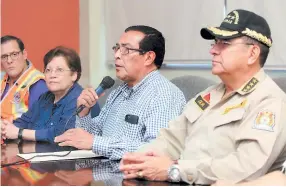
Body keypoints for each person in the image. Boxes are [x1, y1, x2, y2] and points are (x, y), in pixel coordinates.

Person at [119, 9, 286, 185]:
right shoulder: (208, 95)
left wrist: (175, 170)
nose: (213, 50)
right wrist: (139, 159)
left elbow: (246, 167)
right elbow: (171, 139)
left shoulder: (269, 102)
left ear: (252, 54)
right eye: (215, 43)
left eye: (225, 44)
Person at [54, 25, 186, 160]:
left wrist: (95, 142)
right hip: (106, 171)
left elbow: (155, 150)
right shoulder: (119, 91)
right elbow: (94, 135)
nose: (116, 55)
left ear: (148, 57)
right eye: (117, 48)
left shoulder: (165, 94)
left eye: (126, 50)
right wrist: (84, 113)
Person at [1, 46, 100, 142]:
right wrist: (5, 127)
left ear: (74, 75)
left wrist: (19, 133)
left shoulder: (81, 99)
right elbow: (24, 121)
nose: (52, 75)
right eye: (48, 70)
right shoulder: (45, 98)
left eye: (59, 70)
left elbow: (62, 134)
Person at [1, 35, 48, 121]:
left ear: (24, 54)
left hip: (16, 133)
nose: (9, 61)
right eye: (4, 57)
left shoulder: (37, 83)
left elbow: (37, 124)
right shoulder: (1, 78)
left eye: (14, 54)